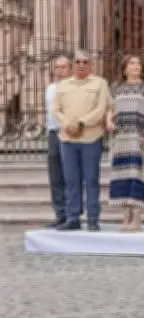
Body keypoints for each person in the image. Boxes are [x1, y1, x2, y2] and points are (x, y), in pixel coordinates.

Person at [52, 50, 111, 231]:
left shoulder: (100, 83)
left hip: (91, 138)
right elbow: (55, 110)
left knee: (91, 179)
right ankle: (73, 217)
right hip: (67, 139)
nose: (81, 65)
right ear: (73, 64)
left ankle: (93, 218)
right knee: (71, 179)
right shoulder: (62, 85)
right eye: (78, 62)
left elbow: (101, 109)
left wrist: (81, 123)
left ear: (90, 65)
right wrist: (68, 124)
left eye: (85, 62)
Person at [106, 55, 144, 232]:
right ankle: (125, 214)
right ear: (125, 68)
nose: (136, 66)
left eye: (138, 63)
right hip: (120, 138)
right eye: (132, 63)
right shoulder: (116, 87)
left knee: (137, 174)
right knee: (121, 174)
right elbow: (109, 108)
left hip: (138, 137)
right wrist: (108, 121)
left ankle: (137, 216)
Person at [44, 55, 73, 228]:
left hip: (69, 133)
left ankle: (72, 212)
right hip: (53, 133)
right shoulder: (50, 88)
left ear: (70, 69)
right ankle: (60, 213)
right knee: (55, 175)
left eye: (63, 67)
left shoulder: (73, 87)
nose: (60, 71)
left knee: (69, 174)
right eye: (57, 67)